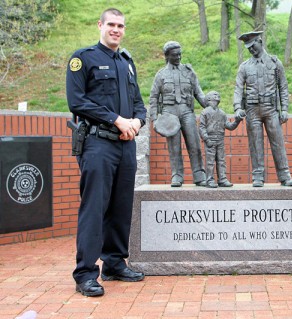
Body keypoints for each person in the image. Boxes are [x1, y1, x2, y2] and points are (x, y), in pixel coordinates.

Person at [66, 8, 146, 297]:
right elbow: (77, 102)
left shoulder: (127, 62)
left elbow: (139, 102)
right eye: (111, 24)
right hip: (98, 144)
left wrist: (136, 121)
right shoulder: (83, 59)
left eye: (120, 25)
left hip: (126, 144)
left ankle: (114, 263)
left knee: (121, 207)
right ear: (100, 25)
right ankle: (86, 274)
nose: (116, 29)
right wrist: (115, 119)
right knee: (94, 208)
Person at [234, 31, 292, 187]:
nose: (251, 50)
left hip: (271, 109)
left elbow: (283, 86)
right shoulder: (244, 67)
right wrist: (237, 107)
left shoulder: (275, 63)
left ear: (260, 41)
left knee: (277, 142)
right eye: (248, 48)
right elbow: (238, 88)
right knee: (255, 143)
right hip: (252, 110)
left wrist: (284, 109)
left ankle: (285, 176)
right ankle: (258, 176)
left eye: (253, 46)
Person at [150, 41, 207, 187]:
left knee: (194, 144)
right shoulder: (160, 75)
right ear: (167, 56)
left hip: (187, 110)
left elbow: (198, 93)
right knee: (174, 147)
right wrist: (154, 119)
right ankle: (177, 175)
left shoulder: (189, 72)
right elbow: (154, 98)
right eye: (175, 55)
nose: (179, 57)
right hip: (169, 113)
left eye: (180, 54)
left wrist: (209, 106)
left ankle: (199, 174)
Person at [199, 91, 242, 188]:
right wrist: (206, 139)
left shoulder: (222, 113)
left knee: (221, 160)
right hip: (210, 139)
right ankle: (209, 180)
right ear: (208, 98)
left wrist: (237, 121)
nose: (217, 95)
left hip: (220, 140)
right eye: (214, 95)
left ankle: (222, 179)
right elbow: (201, 128)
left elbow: (230, 126)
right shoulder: (205, 112)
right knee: (210, 162)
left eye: (218, 94)